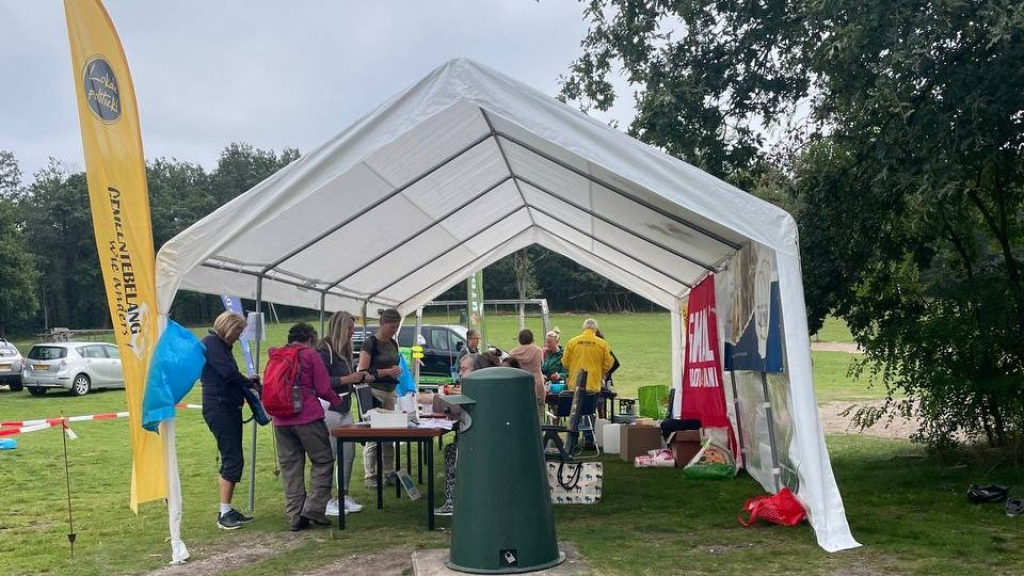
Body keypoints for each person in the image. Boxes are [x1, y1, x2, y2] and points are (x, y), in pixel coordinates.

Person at [271, 322, 344, 531]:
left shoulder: (277, 354)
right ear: (311, 339)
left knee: (291, 468)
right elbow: (323, 387)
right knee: (323, 460)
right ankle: (313, 508)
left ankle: (294, 516)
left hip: (281, 419)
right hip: (307, 418)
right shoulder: (311, 355)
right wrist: (337, 400)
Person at [201, 311, 259, 530]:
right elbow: (227, 373)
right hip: (219, 408)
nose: (238, 336)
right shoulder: (212, 343)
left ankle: (227, 509)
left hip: (228, 407)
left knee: (234, 457)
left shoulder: (222, 347)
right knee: (232, 457)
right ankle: (224, 512)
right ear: (227, 326)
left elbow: (229, 373)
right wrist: (248, 383)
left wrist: (246, 382)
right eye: (237, 331)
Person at [316, 311, 370, 516]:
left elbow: (348, 377)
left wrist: (360, 377)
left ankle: (343, 494)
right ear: (339, 327)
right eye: (349, 328)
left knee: (348, 453)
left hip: (345, 406)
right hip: (329, 408)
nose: (352, 331)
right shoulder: (324, 350)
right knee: (329, 453)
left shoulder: (345, 349)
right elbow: (321, 382)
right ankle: (326, 498)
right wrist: (349, 378)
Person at [435, 351, 501, 516]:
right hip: (485, 442)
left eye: (464, 369)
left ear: (476, 371)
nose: (460, 373)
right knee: (453, 448)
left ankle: (452, 502)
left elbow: (457, 409)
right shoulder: (485, 387)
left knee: (451, 451)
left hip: (481, 444)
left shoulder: (475, 390)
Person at [357, 308, 404, 488]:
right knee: (373, 433)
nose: (394, 330)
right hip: (374, 391)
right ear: (383, 324)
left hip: (390, 390)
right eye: (392, 327)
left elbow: (395, 364)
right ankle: (370, 475)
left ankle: (389, 471)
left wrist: (397, 371)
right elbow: (362, 372)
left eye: (397, 327)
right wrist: (386, 372)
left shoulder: (393, 343)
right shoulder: (370, 343)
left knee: (389, 433)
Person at [562, 318, 614, 393]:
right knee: (591, 404)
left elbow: (565, 362)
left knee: (576, 404)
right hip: (594, 384)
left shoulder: (572, 342)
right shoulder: (602, 344)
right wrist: (600, 372)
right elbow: (608, 364)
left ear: (584, 328)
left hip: (575, 383)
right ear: (595, 329)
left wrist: (572, 368)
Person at [508, 328, 545, 421]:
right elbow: (542, 364)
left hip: (520, 384)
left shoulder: (513, 353)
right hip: (537, 383)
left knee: (521, 412)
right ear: (532, 338)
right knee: (538, 413)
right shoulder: (539, 351)